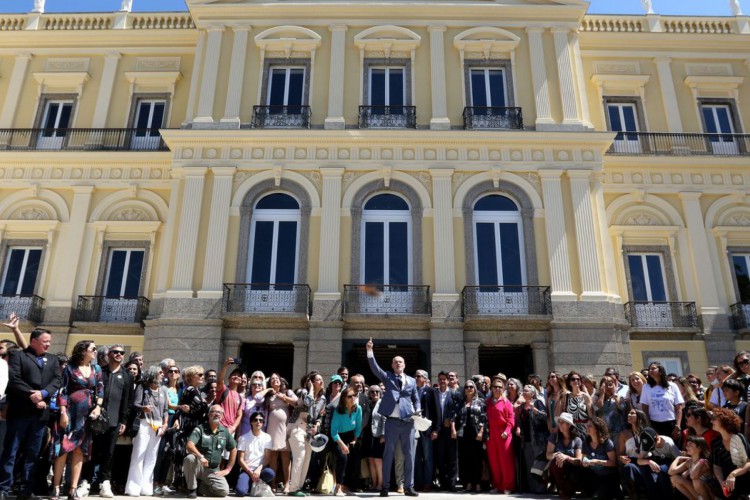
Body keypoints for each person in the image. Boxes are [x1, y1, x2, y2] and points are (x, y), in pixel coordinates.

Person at [0, 326, 61, 500]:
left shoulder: (53, 359)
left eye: (49, 341)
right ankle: (3, 488)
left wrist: (44, 394)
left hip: (40, 414)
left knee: (32, 453)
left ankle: (25, 489)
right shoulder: (19, 356)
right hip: (20, 412)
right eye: (45, 341)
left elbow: (57, 380)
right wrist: (31, 394)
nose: (48, 345)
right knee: (11, 451)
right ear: (34, 341)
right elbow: (14, 379)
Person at [365, 338, 420, 497]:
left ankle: (409, 486)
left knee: (409, 455)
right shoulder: (387, 376)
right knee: (388, 454)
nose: (398, 364)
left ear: (404, 365)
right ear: (391, 365)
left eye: (400, 362)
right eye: (395, 362)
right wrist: (370, 351)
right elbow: (375, 368)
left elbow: (415, 398)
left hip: (408, 422)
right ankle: (385, 487)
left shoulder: (411, 380)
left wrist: (418, 410)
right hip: (391, 422)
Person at [50, 340, 104, 500]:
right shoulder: (70, 369)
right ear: (83, 351)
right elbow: (63, 391)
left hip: (87, 415)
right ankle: (56, 487)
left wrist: (98, 407)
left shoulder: (97, 369)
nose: (95, 351)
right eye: (93, 349)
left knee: (80, 450)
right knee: (63, 450)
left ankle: (73, 488)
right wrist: (63, 412)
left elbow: (100, 390)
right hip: (70, 413)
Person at [86, 343, 131, 498]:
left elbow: (128, 401)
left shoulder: (127, 376)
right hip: (97, 420)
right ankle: (85, 482)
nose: (119, 354)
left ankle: (105, 483)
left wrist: (124, 420)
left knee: (109, 454)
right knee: (93, 452)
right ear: (109, 354)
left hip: (114, 421)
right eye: (116, 352)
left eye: (122, 352)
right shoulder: (100, 372)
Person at [125, 366, 169, 496]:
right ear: (153, 374)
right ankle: (133, 488)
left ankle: (146, 488)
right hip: (144, 423)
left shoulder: (164, 390)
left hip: (158, 426)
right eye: (160, 373)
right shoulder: (142, 387)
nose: (163, 375)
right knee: (138, 455)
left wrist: (165, 424)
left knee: (152, 457)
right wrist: (143, 408)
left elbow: (165, 409)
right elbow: (135, 404)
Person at [184, 404, 237, 498]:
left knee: (223, 491)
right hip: (198, 466)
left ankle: (201, 487)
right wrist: (200, 456)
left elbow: (233, 449)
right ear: (208, 415)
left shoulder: (224, 432)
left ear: (222, 415)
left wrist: (228, 469)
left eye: (219, 412)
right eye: (213, 412)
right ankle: (192, 489)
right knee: (189, 458)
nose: (216, 414)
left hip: (213, 470)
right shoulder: (200, 428)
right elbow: (189, 445)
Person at [287, 371, 325, 496]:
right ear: (312, 382)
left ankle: (299, 487)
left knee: (307, 458)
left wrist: (317, 425)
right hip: (297, 427)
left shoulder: (323, 398)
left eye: (321, 379)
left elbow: (319, 416)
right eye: (318, 379)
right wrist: (311, 389)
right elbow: (308, 402)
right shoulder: (304, 392)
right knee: (300, 456)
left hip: (309, 431)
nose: (321, 381)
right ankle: (293, 488)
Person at [620, 427, 680, 499]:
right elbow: (639, 461)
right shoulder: (646, 443)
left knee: (661, 470)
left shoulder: (668, 443)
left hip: (669, 463)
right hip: (656, 461)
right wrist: (649, 462)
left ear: (657, 438)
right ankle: (654, 496)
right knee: (644, 469)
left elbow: (679, 458)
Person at [264, 373, 296, 492]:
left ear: (281, 380)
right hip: (271, 428)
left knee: (285, 456)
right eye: (272, 379)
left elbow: (297, 403)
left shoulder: (287, 392)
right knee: (273, 456)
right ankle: (273, 483)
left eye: (277, 378)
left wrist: (284, 397)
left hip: (284, 428)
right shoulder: (268, 395)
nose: (275, 380)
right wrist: (268, 391)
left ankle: (287, 484)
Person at [710, 407, 750, 498]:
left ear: (724, 420)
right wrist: (722, 484)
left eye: (714, 419)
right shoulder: (715, 443)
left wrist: (733, 474)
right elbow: (716, 466)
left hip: (744, 476)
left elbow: (748, 463)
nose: (711, 421)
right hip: (727, 481)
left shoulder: (738, 437)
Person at [455, 379, 486, 493]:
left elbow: (484, 417)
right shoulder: (461, 402)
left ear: (475, 389)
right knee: (465, 459)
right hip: (463, 433)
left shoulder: (480, 401)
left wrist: (481, 431)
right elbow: (456, 416)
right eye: (467, 387)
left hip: (476, 432)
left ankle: (477, 483)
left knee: (476, 459)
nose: (469, 389)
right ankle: (468, 483)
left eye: (471, 387)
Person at [516, 384, 548, 494]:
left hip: (538, 439)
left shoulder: (538, 402)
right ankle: (531, 488)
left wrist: (536, 411)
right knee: (529, 464)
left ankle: (540, 488)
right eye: (523, 391)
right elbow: (520, 421)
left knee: (538, 465)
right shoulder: (521, 406)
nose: (523, 392)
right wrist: (519, 428)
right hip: (526, 440)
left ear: (532, 393)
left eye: (526, 391)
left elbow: (545, 417)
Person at [331, 387, 362, 497]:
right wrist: (343, 445)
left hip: (351, 436)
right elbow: (334, 432)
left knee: (354, 458)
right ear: (344, 398)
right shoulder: (338, 411)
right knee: (343, 457)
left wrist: (354, 439)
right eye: (350, 396)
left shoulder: (358, 409)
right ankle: (338, 488)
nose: (353, 398)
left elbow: (358, 428)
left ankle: (346, 485)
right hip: (338, 438)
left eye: (354, 395)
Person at [577, 416, 619, 498]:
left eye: (590, 426)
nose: (587, 427)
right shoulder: (586, 443)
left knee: (603, 495)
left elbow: (613, 463)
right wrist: (585, 463)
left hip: (608, 475)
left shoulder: (607, 443)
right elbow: (584, 459)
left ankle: (615, 489)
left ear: (597, 428)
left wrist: (597, 461)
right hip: (594, 475)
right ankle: (589, 490)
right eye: (587, 425)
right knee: (576, 474)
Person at [486, 375, 515, 494]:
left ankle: (508, 486)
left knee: (505, 461)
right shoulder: (487, 402)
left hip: (503, 434)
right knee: (494, 461)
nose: (497, 389)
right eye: (495, 387)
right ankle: (497, 485)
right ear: (491, 388)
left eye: (500, 387)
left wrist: (506, 432)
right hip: (491, 434)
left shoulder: (506, 402)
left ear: (503, 389)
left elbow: (511, 420)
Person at [432, 371, 460, 492]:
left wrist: (451, 420)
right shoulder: (434, 394)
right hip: (439, 430)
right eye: (440, 379)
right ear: (438, 380)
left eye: (444, 379)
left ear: (448, 381)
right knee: (441, 458)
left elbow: (459, 410)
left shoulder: (455, 394)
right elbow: (432, 412)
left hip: (450, 429)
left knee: (452, 458)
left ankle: (452, 483)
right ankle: (443, 483)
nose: (442, 381)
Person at [641, 362, 684, 440]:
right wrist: (648, 425)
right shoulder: (646, 387)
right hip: (654, 424)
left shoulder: (672, 386)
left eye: (653, 368)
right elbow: (644, 407)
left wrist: (677, 426)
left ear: (660, 371)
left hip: (671, 423)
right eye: (649, 369)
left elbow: (679, 407)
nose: (650, 371)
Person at [236, 411, 274, 497]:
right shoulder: (243, 438)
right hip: (247, 470)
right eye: (255, 420)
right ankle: (252, 485)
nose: (258, 422)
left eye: (261, 421)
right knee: (240, 492)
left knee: (270, 473)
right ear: (251, 422)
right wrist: (250, 472)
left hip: (260, 470)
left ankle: (257, 483)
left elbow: (267, 458)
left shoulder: (267, 437)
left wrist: (258, 469)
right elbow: (240, 459)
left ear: (263, 423)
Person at [546, 412, 583, 500]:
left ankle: (565, 489)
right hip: (558, 467)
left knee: (570, 489)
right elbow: (548, 455)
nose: (559, 424)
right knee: (555, 462)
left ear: (569, 425)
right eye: (559, 422)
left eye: (562, 422)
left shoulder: (577, 440)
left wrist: (566, 457)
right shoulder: (554, 436)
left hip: (572, 469)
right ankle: (561, 489)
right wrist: (557, 455)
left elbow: (579, 461)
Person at [413, 369, 437, 492]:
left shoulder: (431, 391)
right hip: (414, 428)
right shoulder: (412, 391)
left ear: (425, 378)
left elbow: (436, 411)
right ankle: (418, 482)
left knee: (427, 457)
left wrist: (436, 430)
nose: (416, 378)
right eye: (415, 376)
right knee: (416, 457)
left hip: (427, 429)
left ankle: (428, 482)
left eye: (419, 376)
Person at [668, 435, 712, 500]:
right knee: (674, 478)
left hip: (709, 494)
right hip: (697, 494)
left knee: (696, 481)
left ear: (699, 448)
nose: (687, 447)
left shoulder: (704, 462)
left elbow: (693, 476)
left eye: (690, 445)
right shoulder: (689, 462)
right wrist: (678, 458)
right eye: (687, 444)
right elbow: (671, 472)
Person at [594, 374, 627, 455]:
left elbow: (622, 407)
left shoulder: (619, 397)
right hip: (604, 433)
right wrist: (602, 394)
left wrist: (615, 395)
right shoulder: (598, 398)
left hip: (617, 433)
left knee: (618, 454)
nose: (608, 386)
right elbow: (597, 408)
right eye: (605, 384)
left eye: (610, 384)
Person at [216, 358, 244, 437]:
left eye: (239, 376)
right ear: (229, 378)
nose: (236, 377)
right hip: (219, 426)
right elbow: (219, 381)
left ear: (241, 380)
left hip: (230, 430)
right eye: (234, 375)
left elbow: (239, 415)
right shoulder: (224, 389)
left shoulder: (240, 397)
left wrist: (233, 427)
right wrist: (225, 366)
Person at [560, 371, 592, 435]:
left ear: (580, 382)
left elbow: (591, 415)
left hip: (584, 429)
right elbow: (563, 412)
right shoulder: (566, 396)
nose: (576, 380)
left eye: (578, 379)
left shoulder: (585, 396)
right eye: (573, 379)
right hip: (570, 428)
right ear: (569, 382)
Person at [368, 385, 385, 492]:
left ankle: (380, 484)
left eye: (377, 392)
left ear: (380, 394)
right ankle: (374, 484)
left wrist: (383, 434)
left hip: (379, 435)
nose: (375, 393)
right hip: (368, 435)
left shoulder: (382, 404)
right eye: (372, 392)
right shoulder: (368, 404)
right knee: (371, 460)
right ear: (369, 394)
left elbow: (385, 419)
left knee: (378, 460)